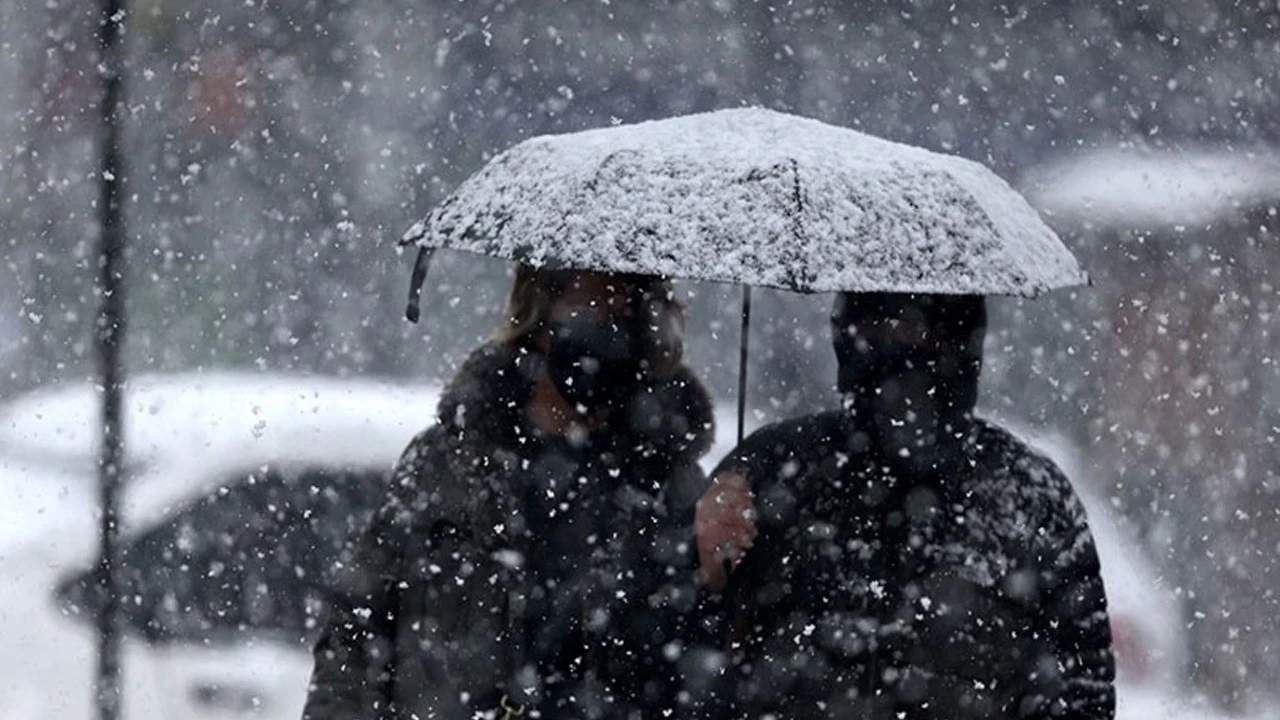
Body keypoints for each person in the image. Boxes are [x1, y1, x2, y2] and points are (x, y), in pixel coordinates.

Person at [302, 267, 716, 720]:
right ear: (538, 314)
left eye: (628, 311)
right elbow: (357, 633)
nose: (610, 327)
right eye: (593, 305)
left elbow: (704, 665)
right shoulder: (447, 464)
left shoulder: (668, 486)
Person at [696, 292, 1116, 719]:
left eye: (928, 332)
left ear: (963, 337)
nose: (903, 347)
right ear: (848, 331)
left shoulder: (1030, 496)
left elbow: (1082, 692)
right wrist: (705, 571)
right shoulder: (769, 470)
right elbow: (679, 665)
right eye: (880, 327)